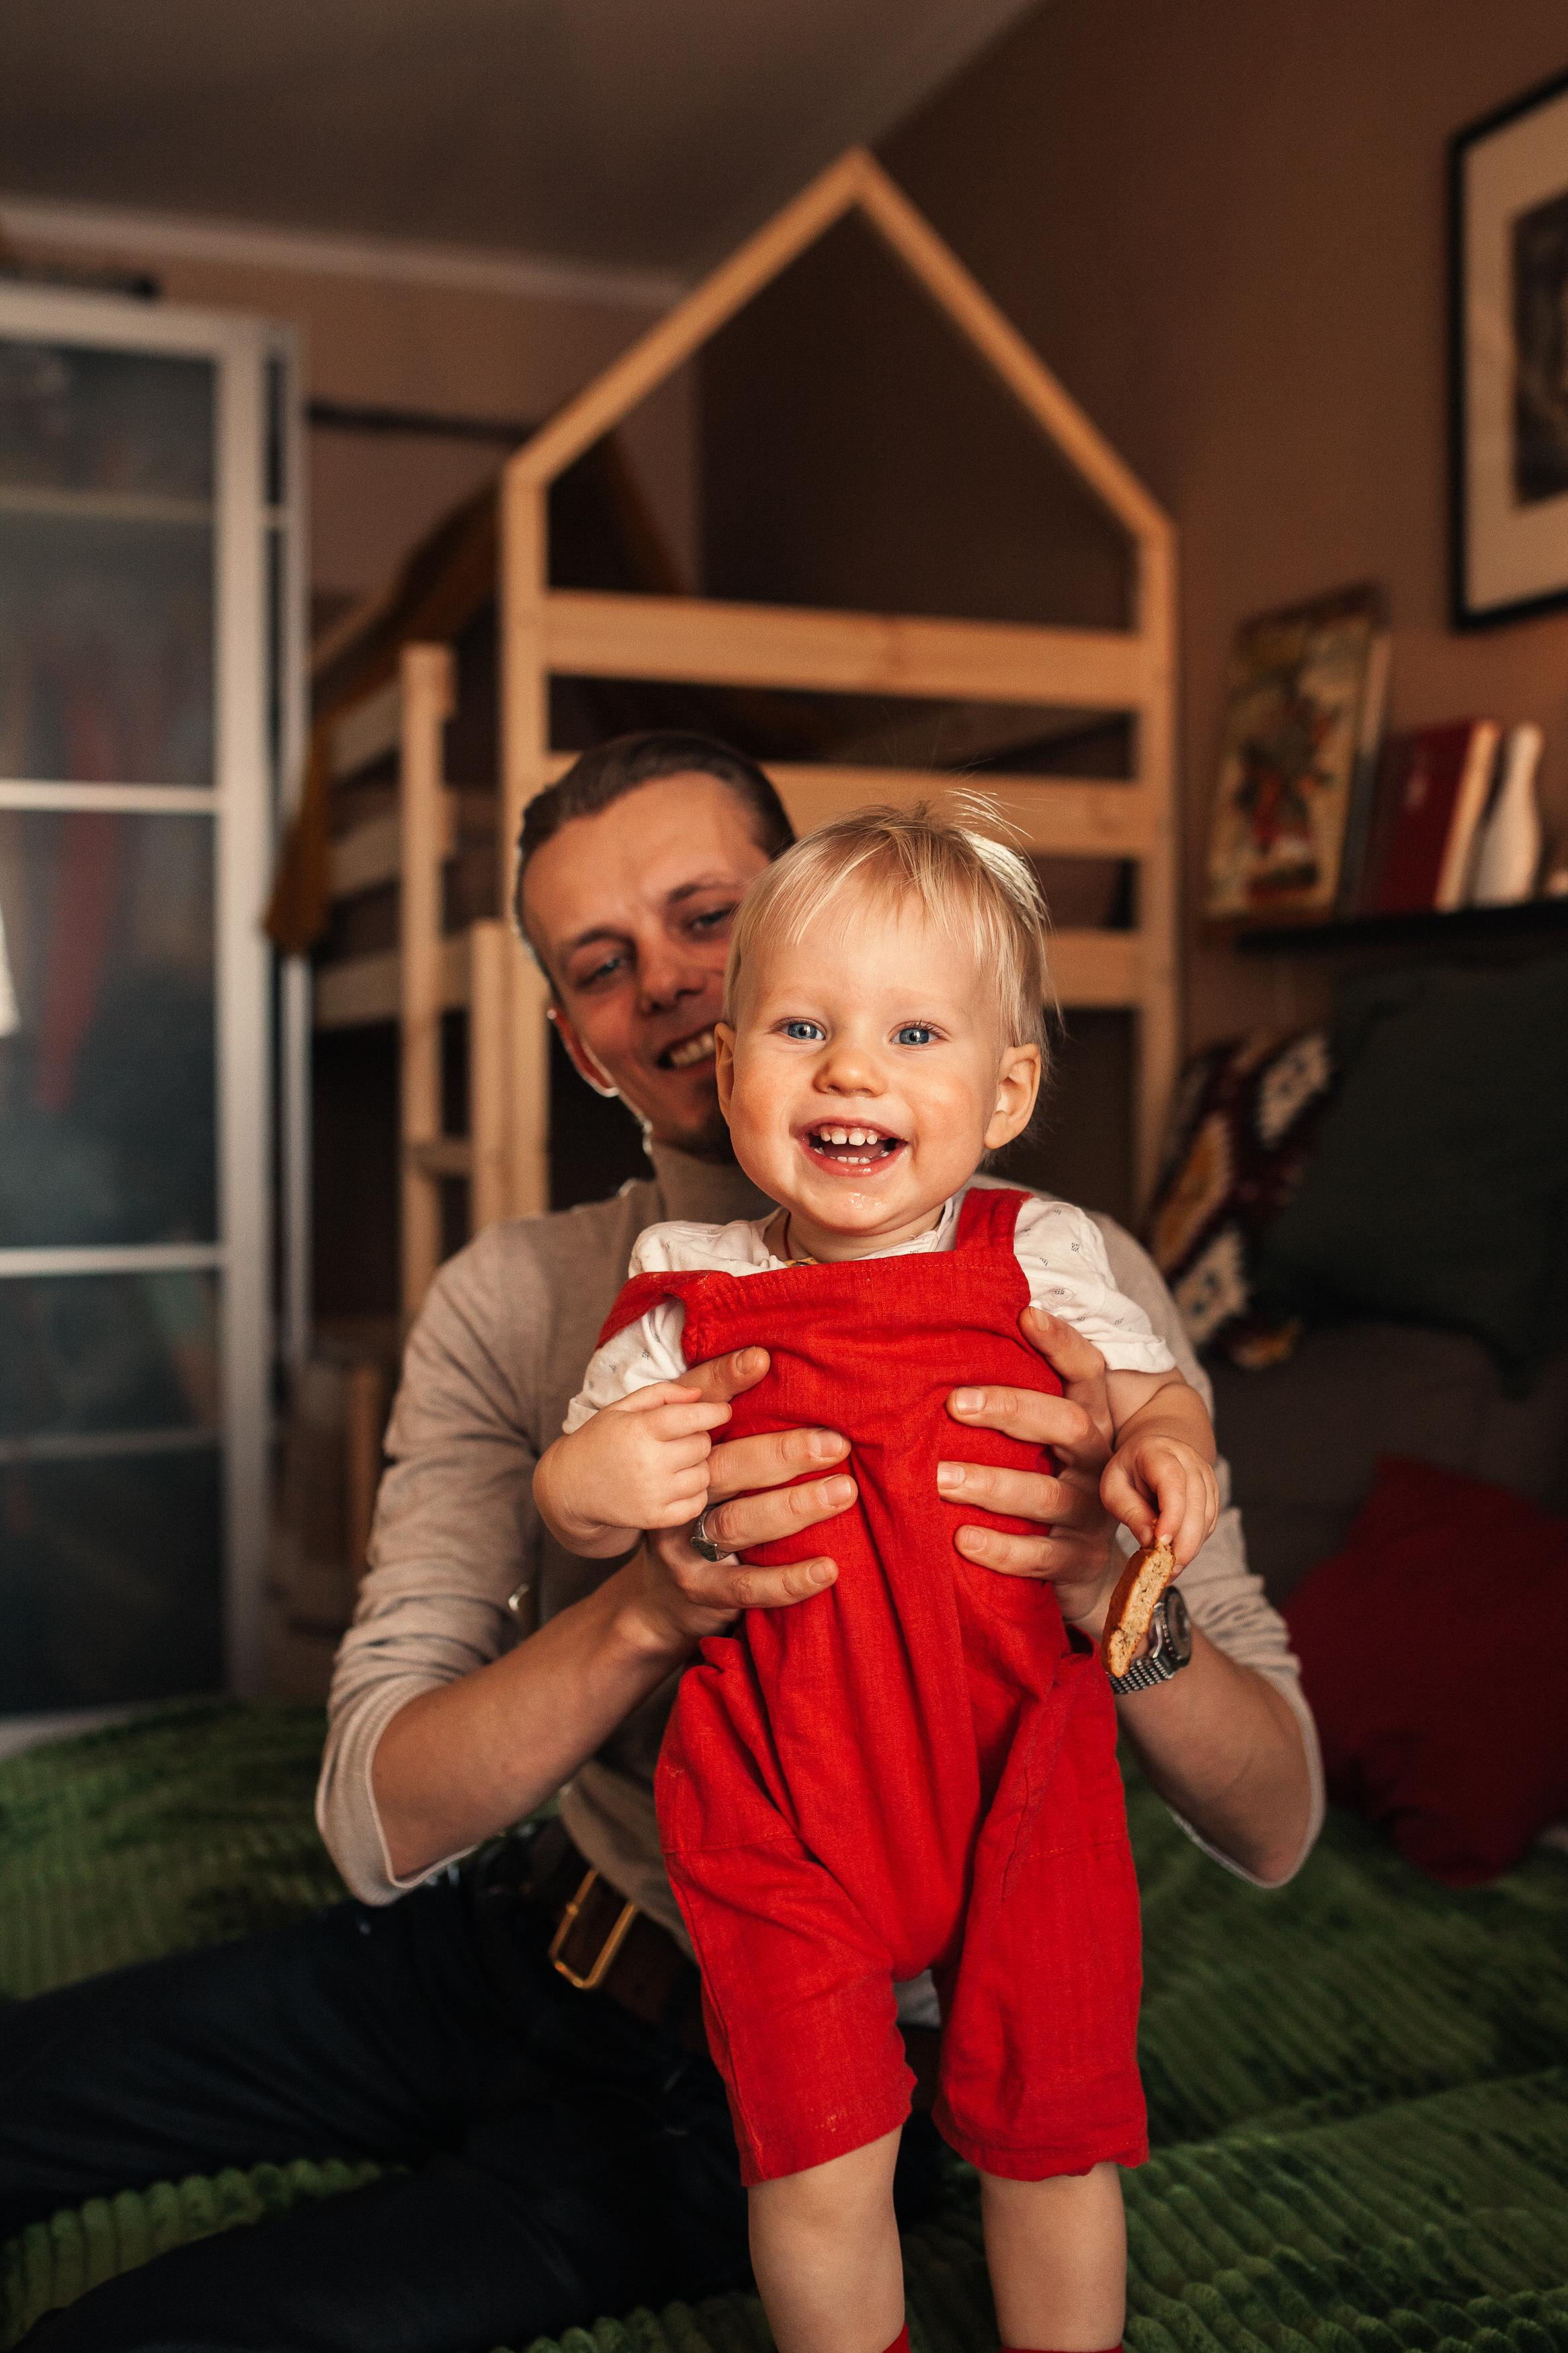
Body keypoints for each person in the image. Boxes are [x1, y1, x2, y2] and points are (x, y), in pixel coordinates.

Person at [0, 733, 1321, 2353]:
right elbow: (370, 1815)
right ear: (578, 1043)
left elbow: (1276, 1821)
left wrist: (1125, 1597)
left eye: (710, 915)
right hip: (508, 1939)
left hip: (759, 2049)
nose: (679, 986)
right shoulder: (530, 1295)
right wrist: (646, 1604)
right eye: (606, 966)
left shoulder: (1052, 1269)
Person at [535, 804, 1220, 2353]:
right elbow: (576, 1503)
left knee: (1053, 2133)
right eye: (801, 1026)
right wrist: (591, 1484)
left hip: (1017, 1768)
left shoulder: (1041, 1250)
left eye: (916, 1031)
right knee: (816, 2151)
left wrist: (1168, 1448)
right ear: (731, 1071)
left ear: (1008, 1088)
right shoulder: (686, 1290)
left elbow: (1146, 1392)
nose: (853, 1069)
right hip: (783, 1788)